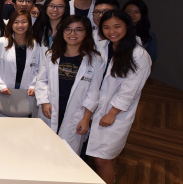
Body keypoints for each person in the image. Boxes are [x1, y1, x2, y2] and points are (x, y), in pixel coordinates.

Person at [86, 10, 152, 184]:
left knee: (102, 159)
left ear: (127, 27)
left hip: (115, 113)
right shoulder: (102, 47)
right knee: (106, 156)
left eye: (117, 26)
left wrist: (112, 113)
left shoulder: (138, 54)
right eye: (106, 27)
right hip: (96, 107)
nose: (111, 31)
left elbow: (130, 90)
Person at [35, 15, 104, 155]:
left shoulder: (95, 60)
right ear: (62, 32)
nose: (72, 34)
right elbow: (42, 80)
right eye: (68, 30)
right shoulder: (51, 55)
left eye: (78, 30)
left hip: (76, 113)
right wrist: (44, 101)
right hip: (51, 109)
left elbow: (94, 91)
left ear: (86, 33)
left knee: (68, 156)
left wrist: (86, 119)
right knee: (43, 151)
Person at [0, 10, 41, 108]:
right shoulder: (0, 43)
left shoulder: (35, 45)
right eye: (16, 22)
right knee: (1, 121)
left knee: (23, 122)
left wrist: (33, 85)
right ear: (11, 24)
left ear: (29, 24)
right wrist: (0, 86)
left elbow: (37, 69)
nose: (20, 25)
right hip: (3, 90)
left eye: (24, 21)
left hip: (26, 91)